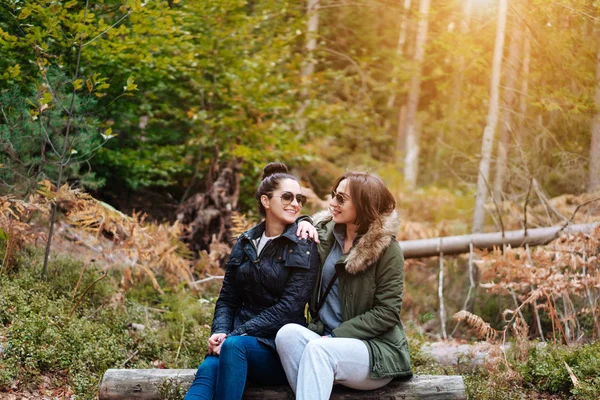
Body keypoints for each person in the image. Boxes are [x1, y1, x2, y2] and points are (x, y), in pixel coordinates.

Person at [184, 162, 319, 400]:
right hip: (236, 340)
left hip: (276, 349)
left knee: (233, 348)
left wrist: (236, 335)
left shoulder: (303, 244)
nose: (295, 203)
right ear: (266, 201)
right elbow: (228, 298)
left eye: (300, 199)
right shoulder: (246, 242)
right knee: (207, 371)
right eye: (287, 197)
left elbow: (289, 308)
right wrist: (220, 332)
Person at [276, 171, 412, 400]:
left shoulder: (388, 250)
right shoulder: (325, 234)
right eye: (333, 196)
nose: (332, 203)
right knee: (287, 335)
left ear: (363, 204)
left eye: (341, 199)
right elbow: (289, 231)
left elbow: (387, 313)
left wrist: (336, 336)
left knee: (319, 351)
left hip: (373, 349)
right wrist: (304, 221)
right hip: (324, 341)